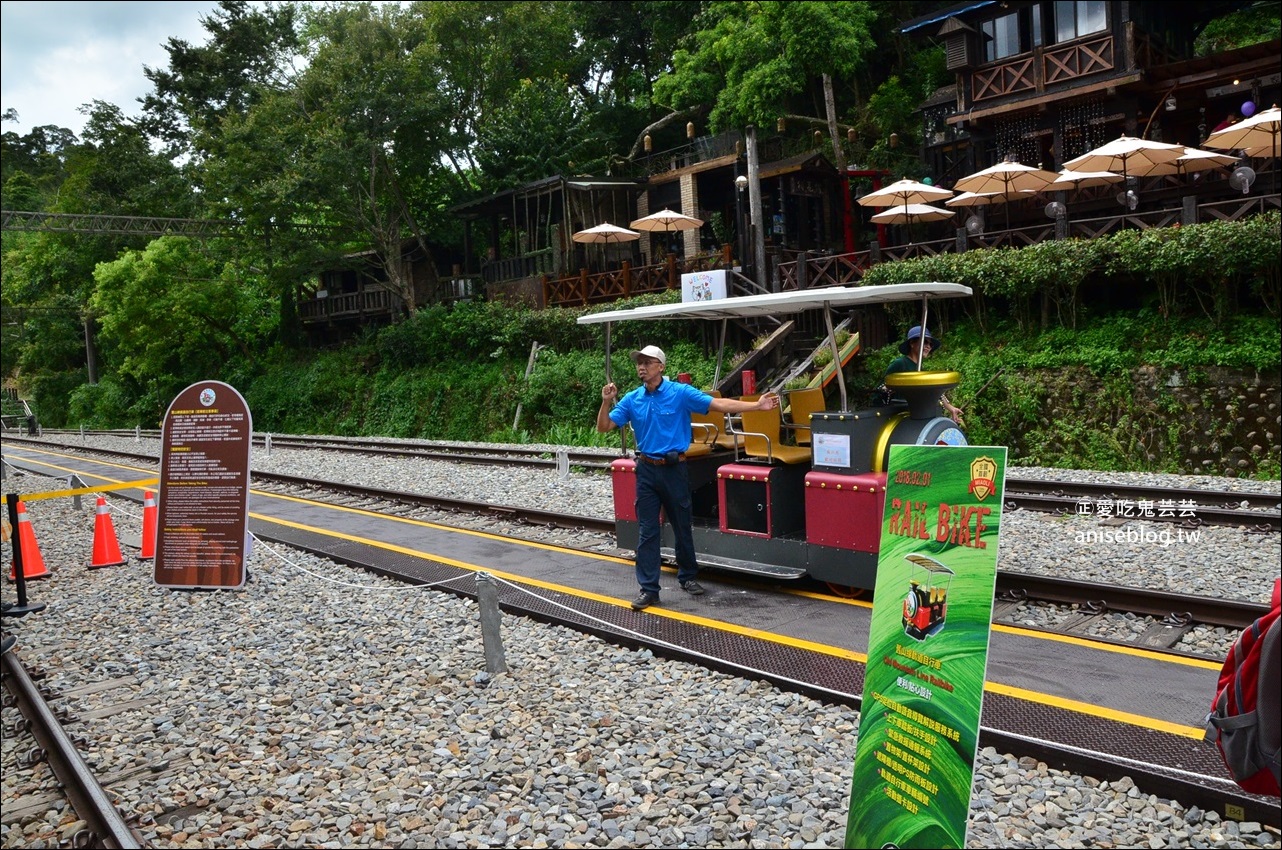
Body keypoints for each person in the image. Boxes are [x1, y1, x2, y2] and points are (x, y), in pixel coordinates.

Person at [597, 344, 781, 611]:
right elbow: (604, 427)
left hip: (674, 469)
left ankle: (688, 576)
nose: (642, 366)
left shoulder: (680, 393)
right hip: (646, 470)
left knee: (682, 524)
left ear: (661, 367)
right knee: (647, 531)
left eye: (648, 362)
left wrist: (757, 406)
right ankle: (649, 589)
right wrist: (605, 401)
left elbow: (718, 404)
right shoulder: (631, 399)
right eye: (639, 362)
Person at [884, 326, 964, 425]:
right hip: (900, 415)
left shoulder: (921, 369)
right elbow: (882, 388)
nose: (928, 347)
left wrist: (951, 408)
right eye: (925, 342)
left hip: (916, 413)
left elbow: (934, 392)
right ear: (912, 343)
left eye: (930, 344)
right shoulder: (900, 364)